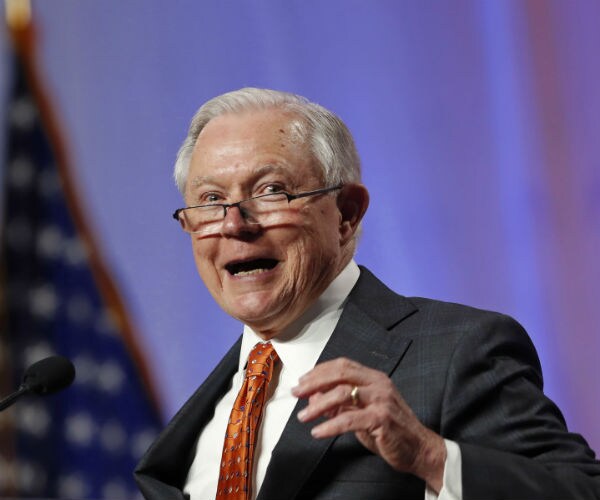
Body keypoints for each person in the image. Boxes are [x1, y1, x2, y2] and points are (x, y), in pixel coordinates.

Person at [135, 88, 600, 500]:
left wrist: (430, 456)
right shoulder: (202, 417)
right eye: (211, 200)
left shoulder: (458, 351)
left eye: (272, 191)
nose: (235, 224)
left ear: (346, 214)